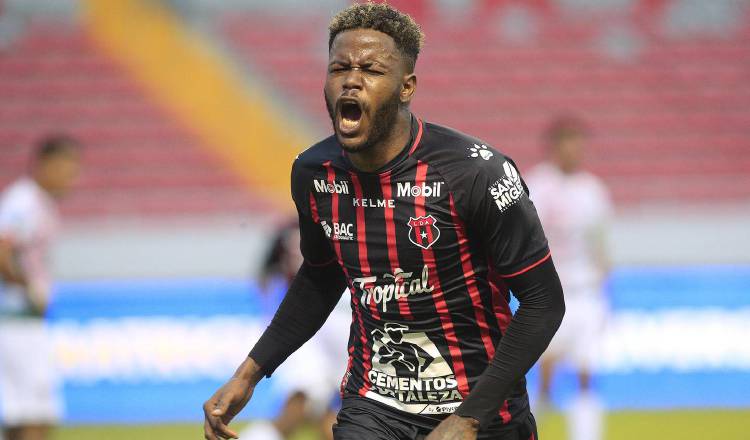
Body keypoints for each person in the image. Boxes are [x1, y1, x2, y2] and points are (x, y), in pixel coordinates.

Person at [204, 4, 565, 440]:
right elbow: (320, 278)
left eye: (371, 70)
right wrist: (249, 373)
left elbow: (544, 303)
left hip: (484, 413)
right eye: (339, 67)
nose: (351, 79)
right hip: (374, 406)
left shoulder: (476, 174)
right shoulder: (313, 174)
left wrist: (469, 418)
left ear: (406, 86)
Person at [526, 118, 613, 440]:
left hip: (587, 292)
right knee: (547, 371)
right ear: (554, 147)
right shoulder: (536, 185)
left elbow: (601, 245)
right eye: (569, 143)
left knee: (586, 372)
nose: (576, 150)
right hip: (552, 294)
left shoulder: (593, 190)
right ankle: (532, 422)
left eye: (579, 143)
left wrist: (605, 292)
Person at [0, 135, 81, 440]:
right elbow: (2, 249)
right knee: (37, 414)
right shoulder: (25, 202)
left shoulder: (36, 202)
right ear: (45, 164)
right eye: (66, 168)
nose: (71, 178)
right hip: (17, 322)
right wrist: (29, 290)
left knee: (19, 415)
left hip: (18, 323)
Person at [240, 221, 349, 440]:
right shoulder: (292, 227)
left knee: (333, 414)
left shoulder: (332, 218)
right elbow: (266, 271)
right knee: (300, 403)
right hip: (308, 316)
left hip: (340, 318)